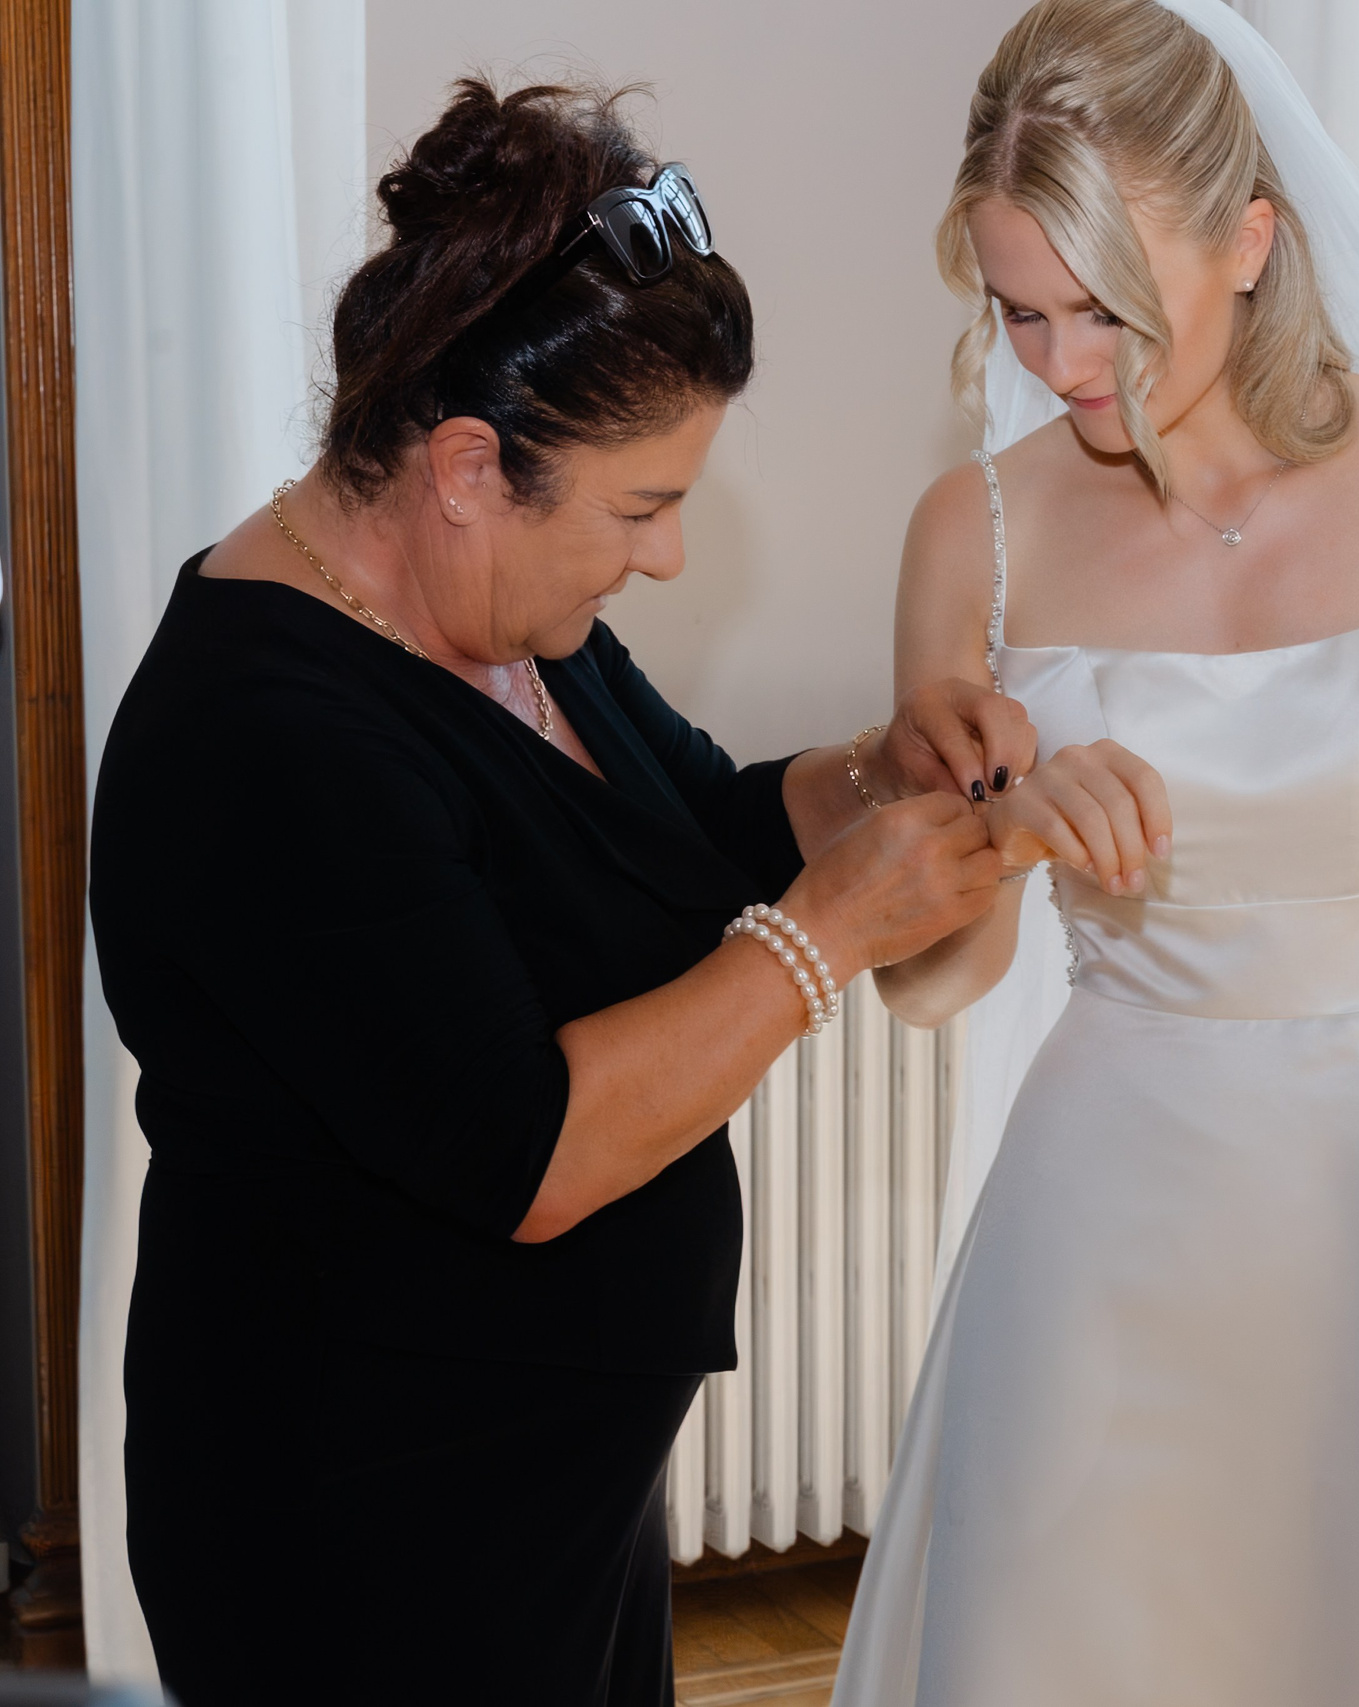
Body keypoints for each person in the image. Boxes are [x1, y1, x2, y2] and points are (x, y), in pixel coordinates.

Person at [90, 80, 1016, 1707]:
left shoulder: (519, 626)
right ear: (464, 465)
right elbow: (529, 1148)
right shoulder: (269, 736)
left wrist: (883, 766)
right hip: (363, 1515)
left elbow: (704, 826)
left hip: (549, 1477)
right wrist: (835, 932)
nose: (662, 557)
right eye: (642, 507)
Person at [831, 3, 1359, 1702]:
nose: (1065, 366)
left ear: (1250, 242)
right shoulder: (972, 534)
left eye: (1108, 313)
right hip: (1106, 1227)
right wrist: (993, 841)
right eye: (1021, 315)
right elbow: (934, 988)